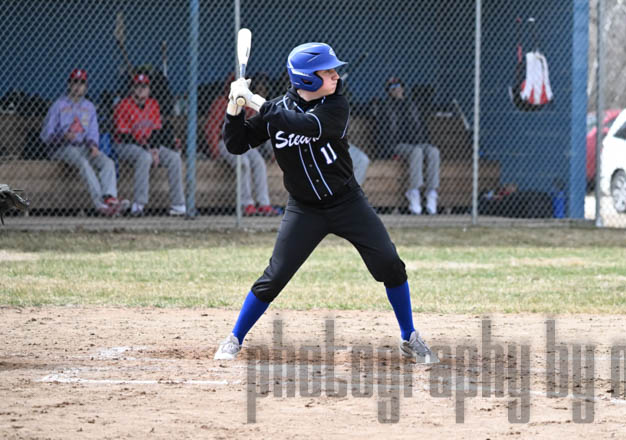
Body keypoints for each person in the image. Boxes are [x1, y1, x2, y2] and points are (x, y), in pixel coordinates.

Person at [213, 42, 435, 364]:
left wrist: (256, 102)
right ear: (306, 79)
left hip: (347, 202)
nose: (335, 75)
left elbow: (306, 125)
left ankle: (409, 336)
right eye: (327, 71)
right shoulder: (277, 108)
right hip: (304, 209)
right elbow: (236, 144)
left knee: (390, 264)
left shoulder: (336, 105)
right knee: (274, 277)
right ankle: (234, 337)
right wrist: (234, 108)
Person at [40, 68, 130, 216]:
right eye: (75, 82)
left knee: (107, 162)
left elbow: (92, 132)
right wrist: (63, 136)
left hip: (83, 147)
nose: (78, 86)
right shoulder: (59, 105)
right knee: (83, 162)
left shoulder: (89, 106)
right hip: (61, 148)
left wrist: (93, 145)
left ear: (85, 87)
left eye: (81, 83)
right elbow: (46, 135)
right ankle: (100, 203)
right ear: (69, 84)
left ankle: (110, 198)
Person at [112, 71, 186, 217]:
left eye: (144, 86)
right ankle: (139, 205)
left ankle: (178, 204)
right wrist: (149, 149)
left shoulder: (153, 104)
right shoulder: (123, 105)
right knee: (144, 157)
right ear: (132, 88)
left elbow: (157, 132)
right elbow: (125, 136)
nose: (141, 89)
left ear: (149, 89)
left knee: (174, 158)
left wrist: (155, 149)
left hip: (148, 146)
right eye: (137, 86)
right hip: (124, 145)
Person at [203, 75, 278, 217]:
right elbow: (211, 127)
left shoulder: (247, 104)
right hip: (223, 142)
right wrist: (214, 149)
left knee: (259, 163)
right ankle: (246, 204)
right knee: (243, 163)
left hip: (243, 141)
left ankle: (264, 203)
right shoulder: (221, 103)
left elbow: (256, 128)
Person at [378, 76, 440, 215]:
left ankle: (431, 192)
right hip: (396, 145)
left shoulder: (412, 105)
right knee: (416, 152)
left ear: (403, 88)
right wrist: (386, 151)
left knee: (433, 151)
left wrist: (425, 141)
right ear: (388, 91)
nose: (396, 90)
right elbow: (384, 134)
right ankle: (414, 192)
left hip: (416, 143)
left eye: (398, 86)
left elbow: (421, 129)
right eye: (392, 88)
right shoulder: (386, 107)